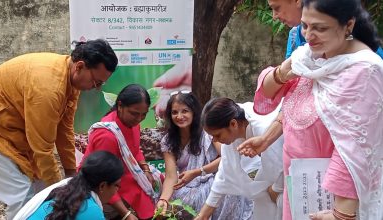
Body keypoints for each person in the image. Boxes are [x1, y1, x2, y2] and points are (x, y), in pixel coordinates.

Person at [239, 0, 383, 219]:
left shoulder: (364, 71)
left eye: (320, 28)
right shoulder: (310, 56)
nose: (308, 35)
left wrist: (341, 214)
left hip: (333, 198)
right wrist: (267, 138)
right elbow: (280, 97)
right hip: (301, 187)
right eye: (305, 26)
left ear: (348, 25)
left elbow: (355, 148)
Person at [0, 39, 118, 219]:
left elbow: (65, 130)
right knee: (24, 200)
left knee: (42, 193)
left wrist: (70, 174)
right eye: (96, 82)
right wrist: (64, 192)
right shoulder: (48, 90)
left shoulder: (70, 77)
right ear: (80, 66)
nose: (95, 88)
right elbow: (42, 150)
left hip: (18, 136)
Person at [156, 91, 252, 219]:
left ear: (194, 112)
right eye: (174, 112)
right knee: (169, 202)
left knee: (226, 189)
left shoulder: (208, 132)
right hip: (185, 186)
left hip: (211, 179)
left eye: (185, 111)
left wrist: (198, 172)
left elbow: (226, 159)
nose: (179, 116)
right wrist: (164, 199)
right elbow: (171, 176)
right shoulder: (168, 141)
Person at [82, 84, 162, 220]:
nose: (139, 119)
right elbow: (103, 180)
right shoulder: (107, 136)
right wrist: (126, 214)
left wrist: (145, 170)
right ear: (120, 106)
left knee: (158, 183)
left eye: (144, 115)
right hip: (102, 182)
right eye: (135, 114)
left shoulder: (132, 123)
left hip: (125, 174)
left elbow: (135, 150)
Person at [195, 98, 284, 220]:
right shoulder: (233, 135)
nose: (215, 140)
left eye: (217, 135)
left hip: (292, 179)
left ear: (233, 124)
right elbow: (224, 174)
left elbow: (285, 162)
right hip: (269, 190)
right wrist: (203, 215)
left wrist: (276, 188)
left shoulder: (263, 128)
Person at [14, 151, 124, 220]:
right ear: (102, 186)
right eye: (116, 185)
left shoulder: (65, 190)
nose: (117, 190)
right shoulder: (90, 210)